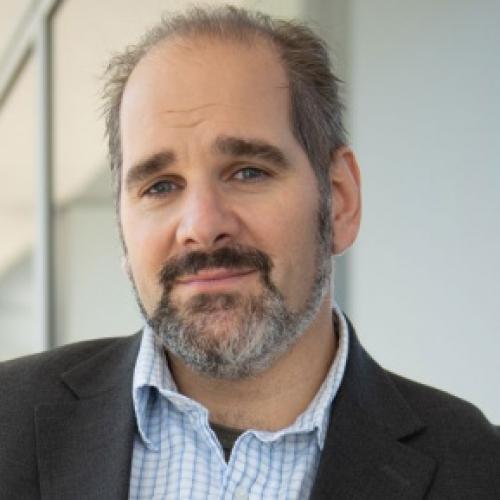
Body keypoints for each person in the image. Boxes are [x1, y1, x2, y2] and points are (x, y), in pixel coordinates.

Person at [1, 5, 499, 499]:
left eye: (247, 172)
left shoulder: (480, 471)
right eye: (160, 186)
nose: (202, 227)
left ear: (339, 201)